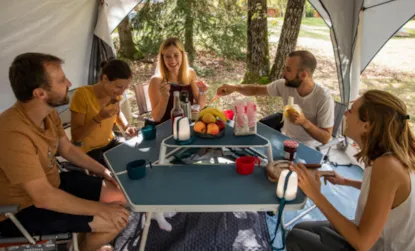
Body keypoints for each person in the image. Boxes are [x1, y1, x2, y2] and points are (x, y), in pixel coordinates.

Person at [0, 53, 129, 251]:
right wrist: (101, 209)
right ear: (40, 93)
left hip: (55, 184)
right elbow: (43, 197)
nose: (69, 82)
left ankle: (85, 242)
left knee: (119, 195)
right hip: (22, 210)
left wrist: (102, 171)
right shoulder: (11, 132)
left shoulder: (48, 112)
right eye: (61, 80)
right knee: (115, 220)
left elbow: (67, 148)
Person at [287, 90, 415, 251]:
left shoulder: (388, 165)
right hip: (371, 237)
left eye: (351, 110)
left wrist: (315, 194)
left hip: (376, 245)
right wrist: (345, 181)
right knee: (301, 227)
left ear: (367, 126)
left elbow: (362, 243)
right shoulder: (384, 153)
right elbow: (386, 195)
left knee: (295, 238)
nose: (346, 114)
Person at [216, 50, 334, 147]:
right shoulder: (284, 85)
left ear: (303, 75)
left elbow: (326, 138)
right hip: (284, 139)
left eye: (288, 70)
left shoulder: (324, 99)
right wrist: (235, 87)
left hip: (310, 148)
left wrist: (304, 122)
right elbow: (256, 90)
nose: (283, 73)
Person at [70, 59, 137, 166]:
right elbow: (77, 136)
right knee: (117, 172)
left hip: (110, 143)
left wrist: (126, 126)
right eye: (119, 87)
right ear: (105, 78)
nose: (122, 92)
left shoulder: (115, 94)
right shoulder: (82, 95)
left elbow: (117, 113)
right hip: (89, 151)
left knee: (135, 158)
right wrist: (99, 118)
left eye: (125, 88)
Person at [149, 37, 209, 123]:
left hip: (189, 124)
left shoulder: (190, 73)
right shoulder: (156, 81)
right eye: (168, 57)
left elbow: (200, 106)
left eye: (176, 55)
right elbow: (156, 118)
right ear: (163, 59)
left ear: (182, 55)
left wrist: (203, 92)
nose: (172, 60)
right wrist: (164, 97)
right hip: (167, 128)